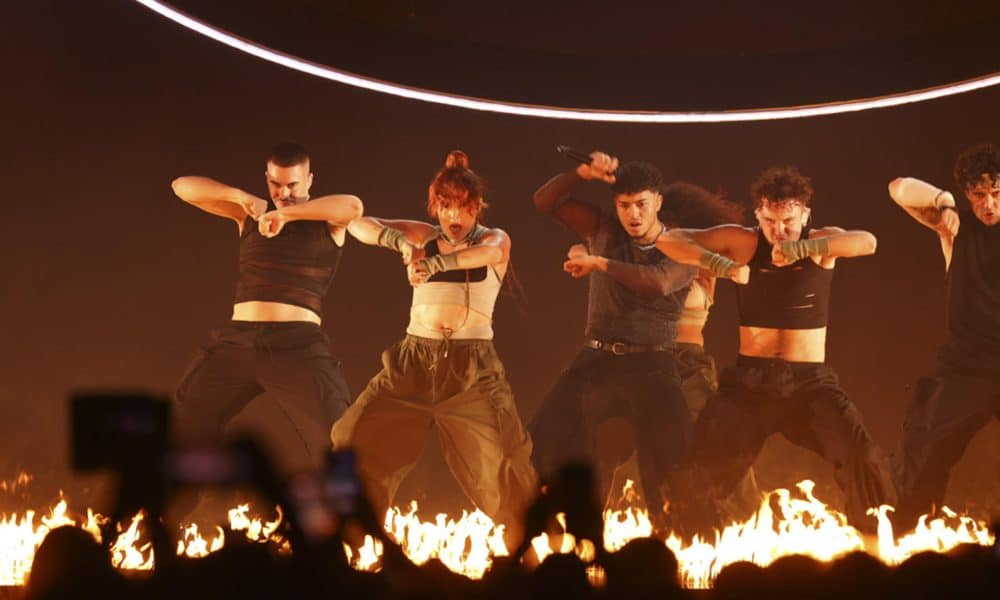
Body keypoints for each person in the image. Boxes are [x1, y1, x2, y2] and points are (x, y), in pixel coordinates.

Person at [657, 165, 896, 531]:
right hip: (751, 384)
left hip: (810, 385)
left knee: (862, 455)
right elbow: (668, 240)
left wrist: (805, 247)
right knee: (701, 469)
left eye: (788, 221)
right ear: (758, 214)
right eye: (770, 220)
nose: (779, 230)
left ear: (804, 214)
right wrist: (718, 264)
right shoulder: (745, 242)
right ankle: (693, 550)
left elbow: (868, 241)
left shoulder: (821, 244)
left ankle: (877, 548)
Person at [330, 151, 536, 528]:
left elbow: (489, 253)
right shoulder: (424, 236)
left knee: (505, 463)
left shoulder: (493, 238)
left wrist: (435, 264)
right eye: (445, 206)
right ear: (435, 207)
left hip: (471, 371)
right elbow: (358, 223)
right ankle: (357, 538)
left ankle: (529, 556)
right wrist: (401, 244)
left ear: (477, 207)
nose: (453, 216)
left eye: (461, 207)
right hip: (412, 363)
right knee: (350, 434)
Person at [528, 151, 697, 524]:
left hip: (652, 365)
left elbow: (657, 283)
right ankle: (564, 535)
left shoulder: (682, 247)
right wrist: (581, 173)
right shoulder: (603, 229)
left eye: (641, 205)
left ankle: (675, 544)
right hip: (596, 360)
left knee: (675, 462)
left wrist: (600, 263)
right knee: (541, 438)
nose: (632, 215)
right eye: (624, 205)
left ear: (658, 203)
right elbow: (545, 201)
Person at [172, 142, 360, 468]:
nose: (283, 192)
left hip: (297, 345)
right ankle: (161, 512)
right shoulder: (249, 216)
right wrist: (241, 198)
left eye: (292, 185)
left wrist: (285, 214)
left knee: (336, 437)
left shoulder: (326, 222)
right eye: (275, 184)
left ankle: (344, 514)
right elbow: (182, 187)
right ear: (267, 177)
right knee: (186, 418)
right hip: (238, 341)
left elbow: (353, 207)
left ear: (310, 180)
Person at [604, 182, 760, 517]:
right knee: (612, 443)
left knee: (714, 439)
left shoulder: (704, 264)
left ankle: (744, 518)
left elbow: (747, 246)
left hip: (688, 364)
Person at [889, 142, 1000, 530]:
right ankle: (908, 539)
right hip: (965, 368)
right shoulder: (954, 228)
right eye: (979, 195)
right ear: (968, 194)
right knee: (925, 452)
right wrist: (944, 202)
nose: (989, 204)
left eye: (998, 194)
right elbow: (898, 187)